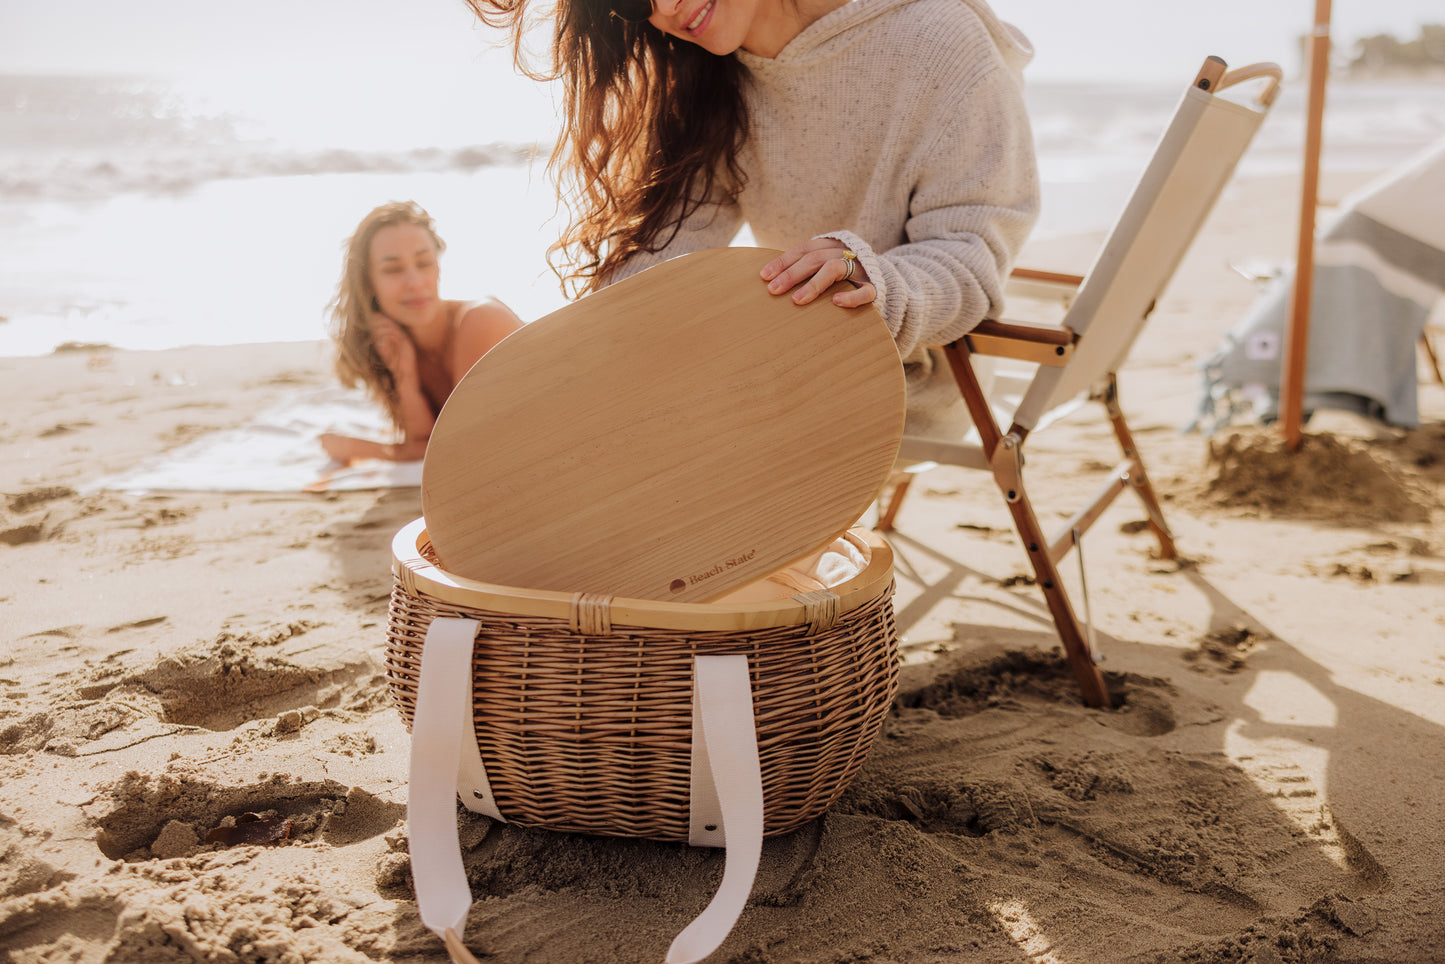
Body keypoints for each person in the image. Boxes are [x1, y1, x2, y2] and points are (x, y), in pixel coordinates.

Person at [464, 0, 1039, 438]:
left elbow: (971, 259)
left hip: (910, 382)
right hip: (779, 374)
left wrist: (871, 279)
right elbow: (664, 256)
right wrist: (576, 351)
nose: (664, 8)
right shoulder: (712, 82)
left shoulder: (940, 40)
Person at [321, 201, 523, 463]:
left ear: (438, 268)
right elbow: (424, 440)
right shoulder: (392, 342)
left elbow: (464, 446)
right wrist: (405, 377)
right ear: (369, 283)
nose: (415, 283)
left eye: (424, 263)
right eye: (393, 269)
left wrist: (363, 449)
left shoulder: (481, 320)